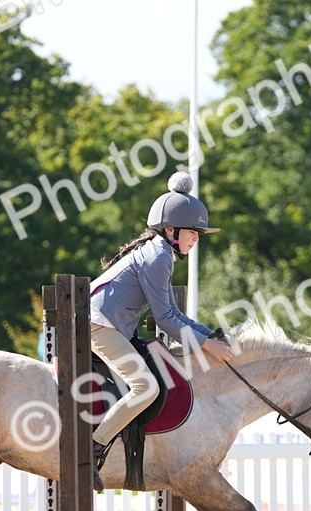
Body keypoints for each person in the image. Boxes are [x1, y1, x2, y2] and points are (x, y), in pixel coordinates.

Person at [89, 172, 233, 490]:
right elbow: (166, 320)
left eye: (198, 234)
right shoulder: (157, 258)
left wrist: (210, 335)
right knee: (147, 387)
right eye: (193, 233)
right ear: (171, 230)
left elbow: (174, 314)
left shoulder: (161, 253)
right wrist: (207, 347)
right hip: (99, 324)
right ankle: (93, 448)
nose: (197, 239)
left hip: (111, 323)